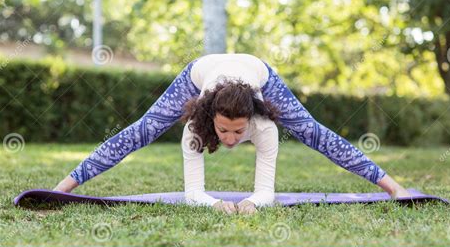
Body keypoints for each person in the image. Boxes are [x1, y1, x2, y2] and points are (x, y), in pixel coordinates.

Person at [54, 53, 411, 215]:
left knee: (313, 132)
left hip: (258, 74)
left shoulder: (265, 126)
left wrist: (253, 203)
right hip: (199, 75)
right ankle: (63, 186)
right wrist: (215, 204)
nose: (228, 139)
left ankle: (391, 184)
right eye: (223, 130)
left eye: (237, 132)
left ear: (252, 122)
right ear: (210, 120)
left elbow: (265, 190)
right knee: (141, 131)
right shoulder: (196, 124)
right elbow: (194, 193)